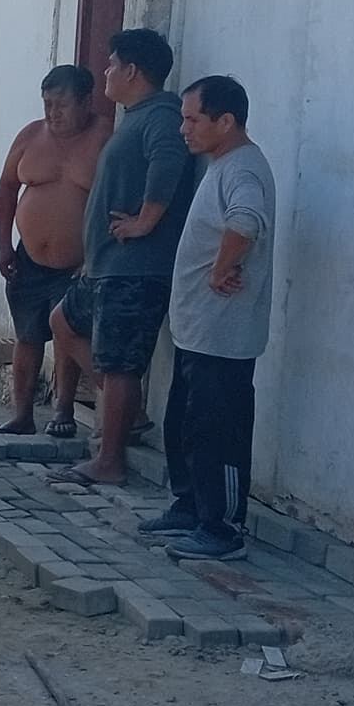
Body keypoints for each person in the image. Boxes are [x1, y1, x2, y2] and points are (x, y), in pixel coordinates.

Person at [49, 28, 197, 486]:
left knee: (120, 365)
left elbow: (168, 162)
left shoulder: (162, 115)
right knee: (63, 322)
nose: (106, 72)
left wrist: (145, 221)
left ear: (132, 70)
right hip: (106, 266)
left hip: (136, 267)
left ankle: (109, 460)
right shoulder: (136, 117)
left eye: (112, 64)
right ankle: (125, 414)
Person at [150, 75, 276, 561]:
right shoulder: (221, 165)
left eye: (192, 119)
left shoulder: (243, 169)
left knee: (217, 432)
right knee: (186, 424)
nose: (184, 128)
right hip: (198, 331)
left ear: (225, 122)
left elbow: (246, 220)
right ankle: (190, 507)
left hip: (223, 336)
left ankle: (222, 530)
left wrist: (223, 267)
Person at [0, 65, 109, 436]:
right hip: (28, 258)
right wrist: (4, 243)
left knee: (66, 335)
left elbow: (118, 201)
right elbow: (7, 186)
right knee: (27, 336)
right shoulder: (31, 135)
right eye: (47, 104)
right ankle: (22, 414)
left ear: (86, 102)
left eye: (62, 105)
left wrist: (96, 257)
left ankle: (63, 411)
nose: (53, 113)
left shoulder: (105, 137)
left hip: (77, 264)